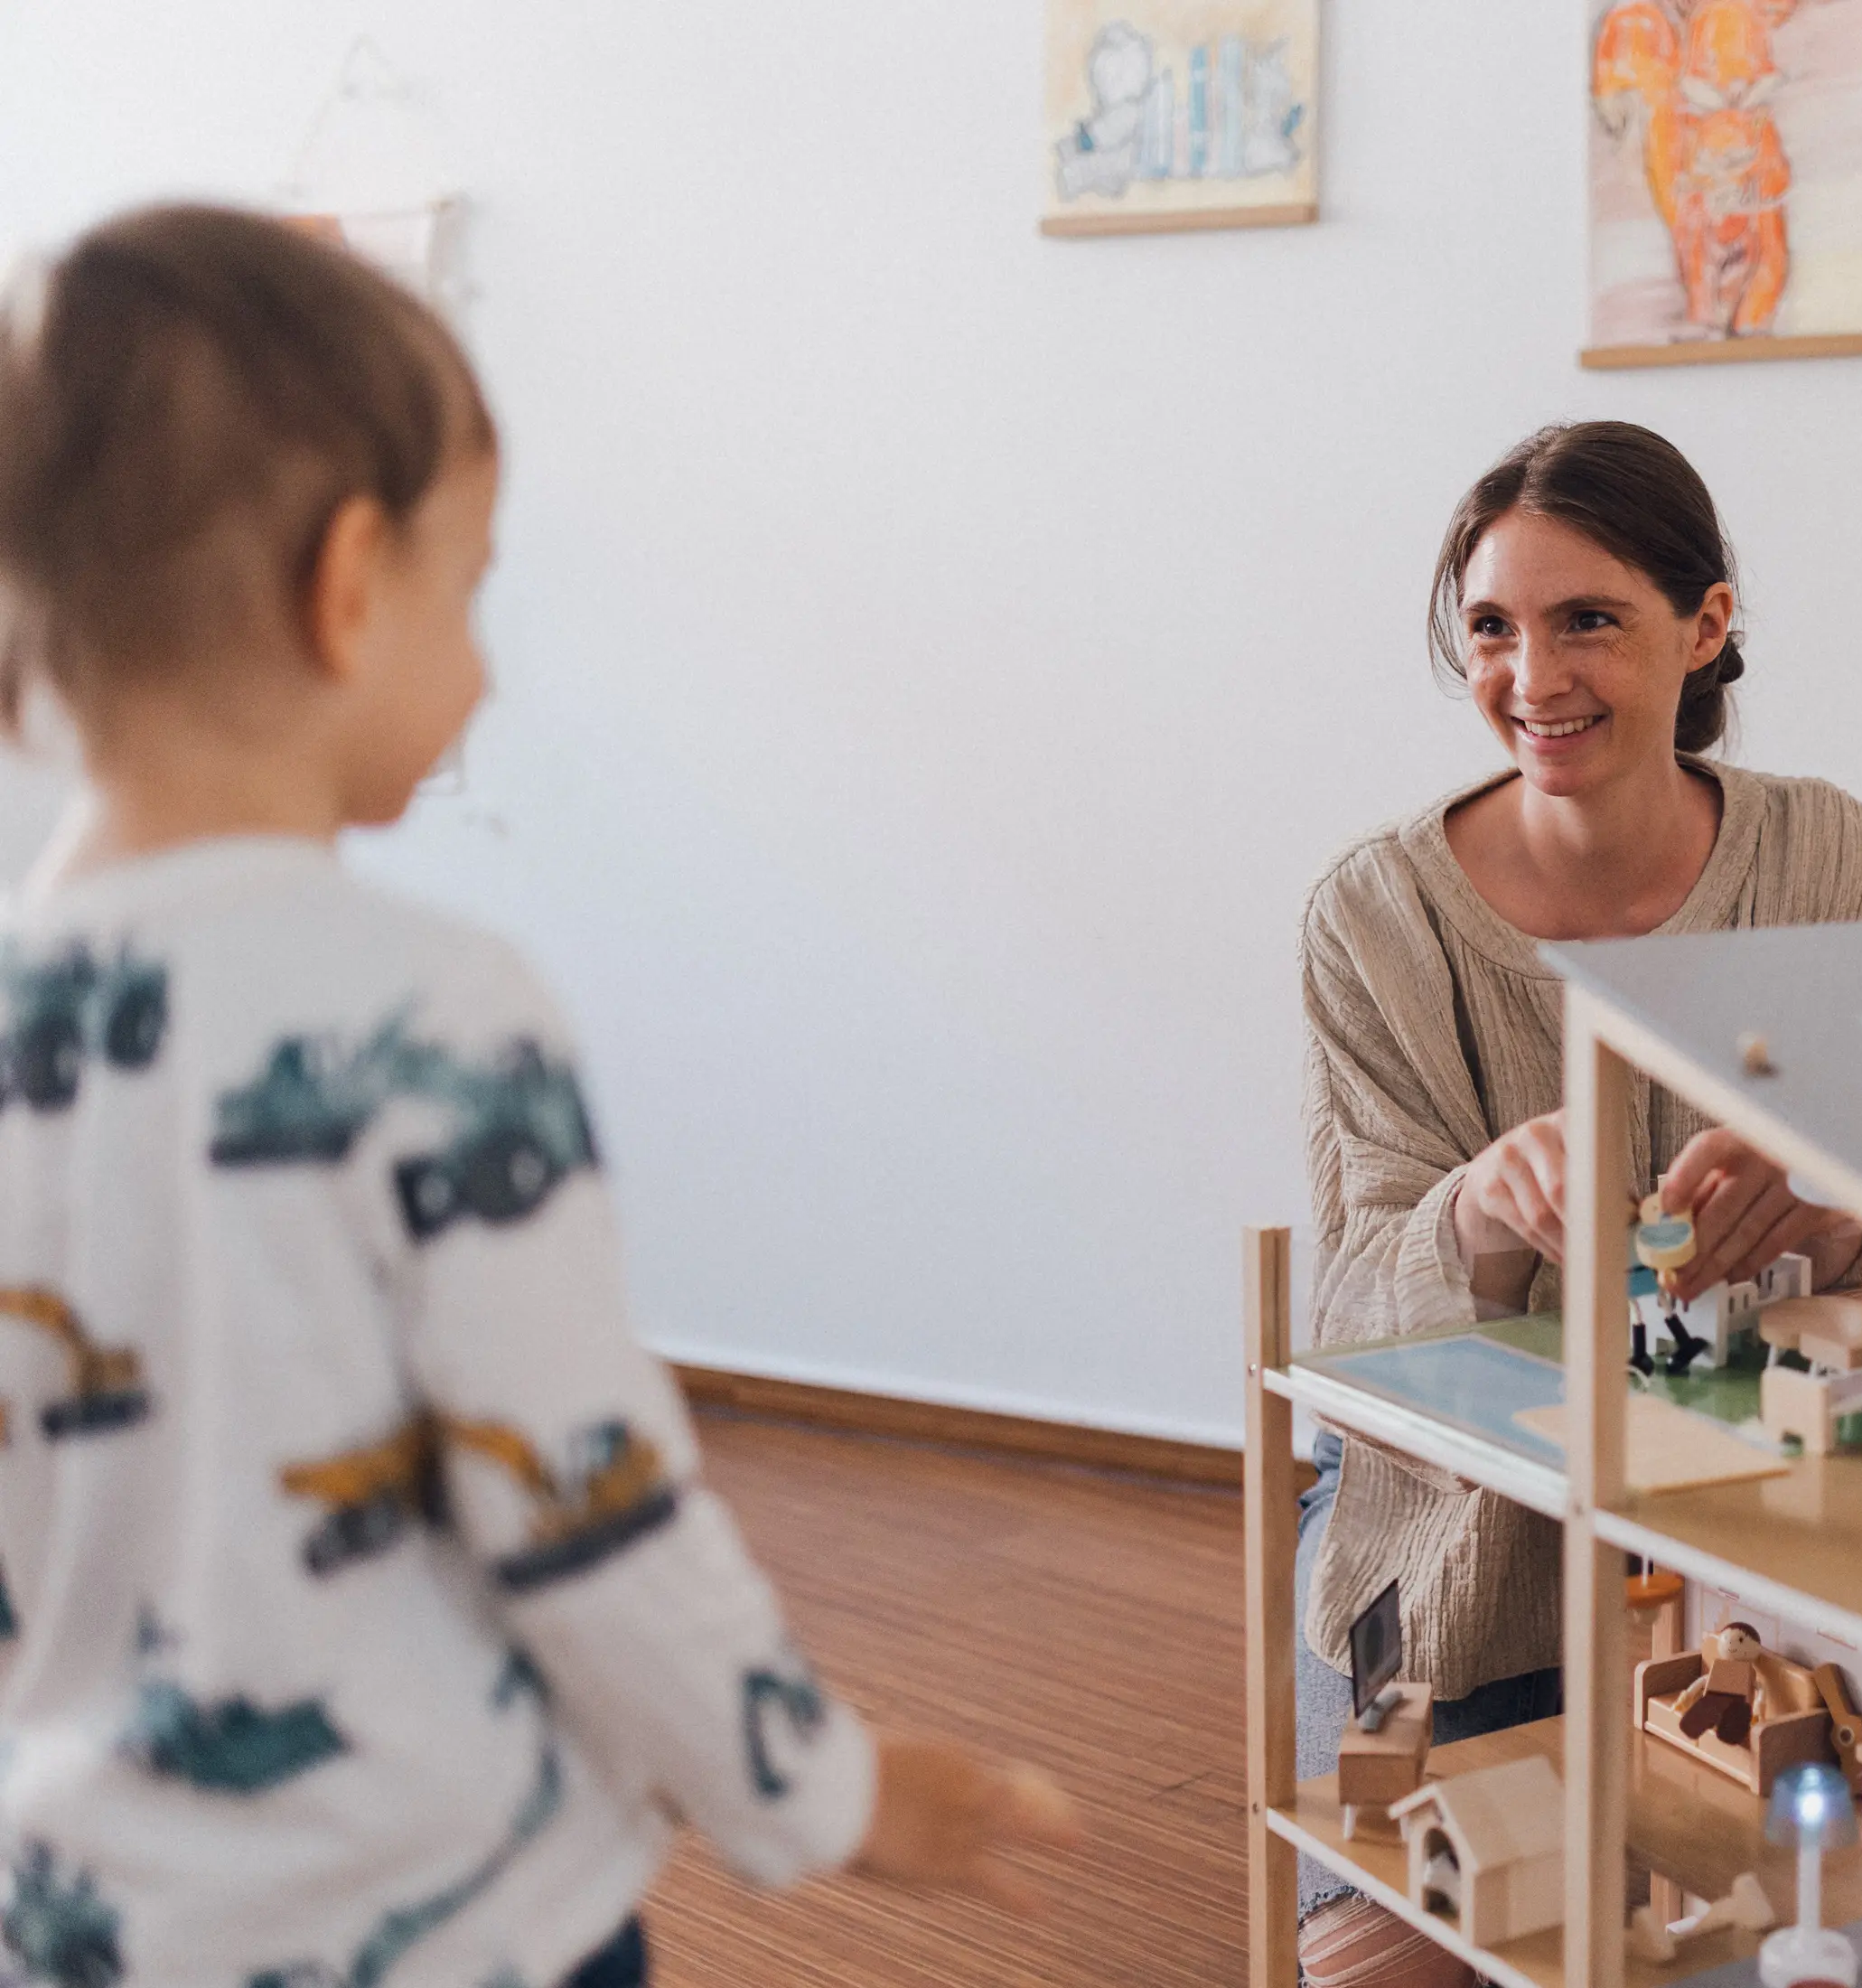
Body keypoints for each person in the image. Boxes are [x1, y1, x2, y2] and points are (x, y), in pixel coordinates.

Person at [0, 205, 1071, 1988]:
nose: (486, 663)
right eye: (472, 582)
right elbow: (583, 1505)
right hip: (454, 1926)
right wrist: (831, 1787)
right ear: (349, 587)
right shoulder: (434, 1014)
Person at [1294, 420, 1862, 1984]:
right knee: (1387, 1963)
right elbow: (1349, 1312)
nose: (1530, 678)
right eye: (1492, 626)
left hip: (1756, 1567)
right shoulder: (1377, 917)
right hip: (1460, 1563)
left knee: (1802, 1933)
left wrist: (1830, 1212)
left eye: (1589, 622)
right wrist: (1483, 1211)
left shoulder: (1830, 857)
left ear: (1704, 629)